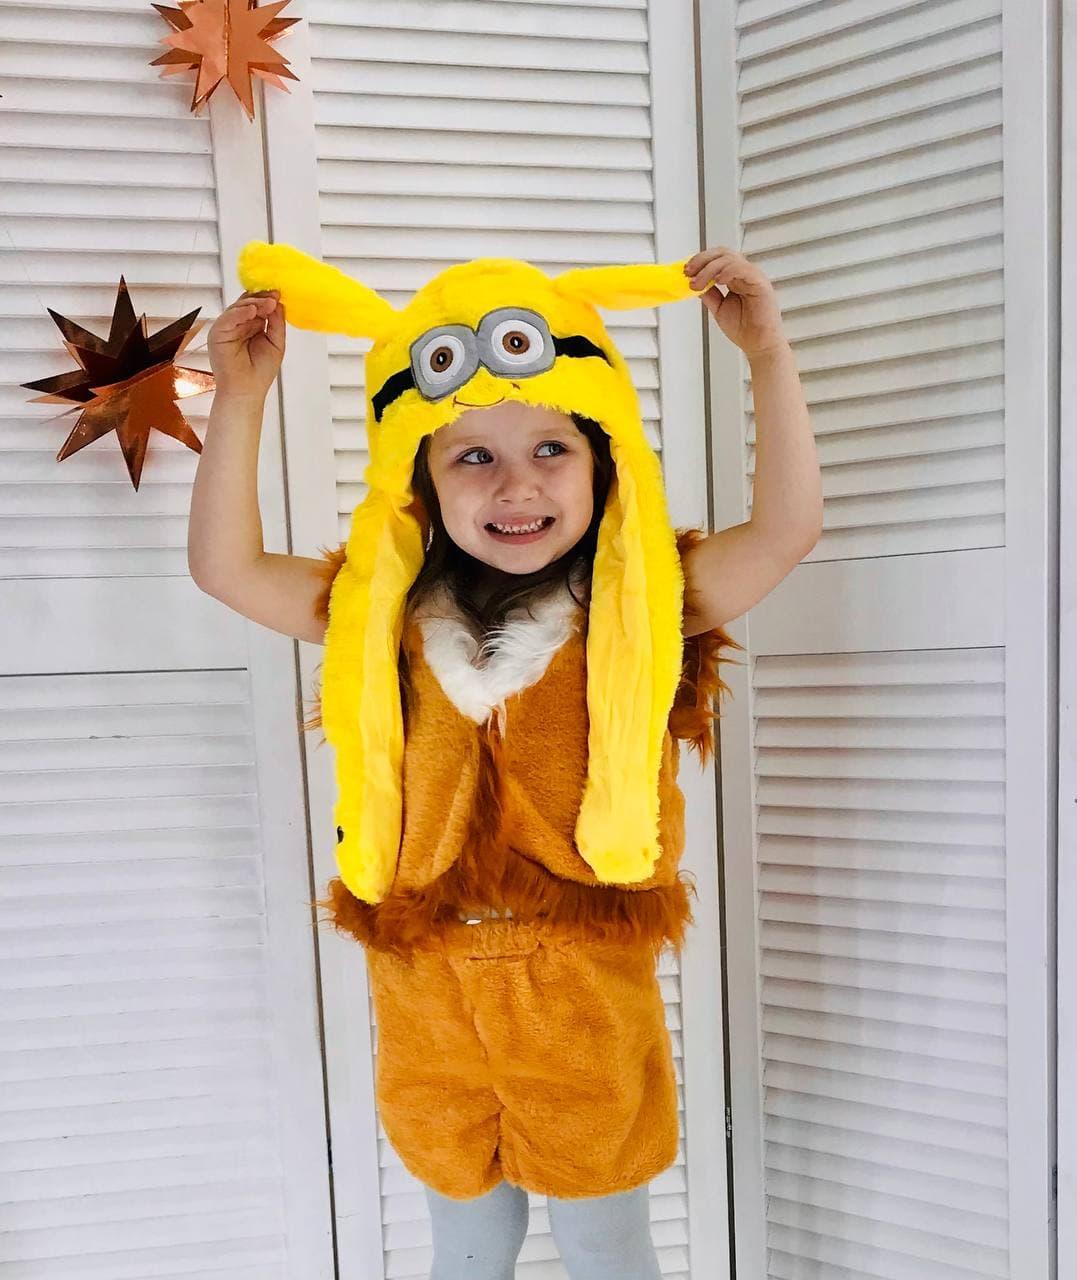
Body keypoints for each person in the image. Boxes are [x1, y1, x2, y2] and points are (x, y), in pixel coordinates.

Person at [188, 244, 822, 1279]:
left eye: (551, 449)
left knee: (603, 1243)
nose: (517, 484)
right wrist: (242, 398)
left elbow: (788, 530)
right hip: (425, 989)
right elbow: (226, 567)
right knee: (468, 1244)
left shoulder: (644, 601)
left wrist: (767, 355)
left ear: (604, 459)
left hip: (582, 992)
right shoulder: (381, 613)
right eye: (472, 456)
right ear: (421, 482)